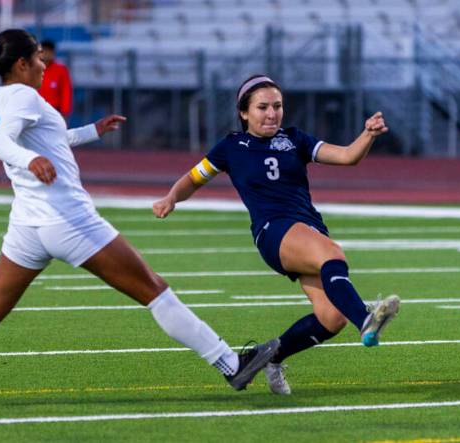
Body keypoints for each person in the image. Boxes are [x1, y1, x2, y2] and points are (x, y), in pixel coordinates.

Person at [0, 30, 277, 408]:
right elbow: (6, 144)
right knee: (155, 291)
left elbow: (47, 137)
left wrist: (92, 131)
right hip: (68, 220)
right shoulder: (23, 97)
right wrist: (33, 159)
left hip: (28, 225)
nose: (46, 66)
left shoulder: (2, 97)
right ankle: (230, 363)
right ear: (22, 65)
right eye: (39, 60)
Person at [152, 74, 401, 395]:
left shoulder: (295, 139)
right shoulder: (231, 146)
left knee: (330, 317)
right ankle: (366, 319)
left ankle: (272, 359)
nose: (272, 113)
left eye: (277, 106)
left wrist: (368, 135)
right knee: (332, 255)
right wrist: (172, 196)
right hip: (274, 230)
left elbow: (347, 156)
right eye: (262, 107)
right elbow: (193, 178)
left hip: (308, 229)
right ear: (244, 113)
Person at [37, 39, 72, 118]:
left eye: (49, 51)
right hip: (37, 112)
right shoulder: (34, 69)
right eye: (44, 51)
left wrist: (65, 113)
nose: (46, 54)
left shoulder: (61, 70)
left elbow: (66, 92)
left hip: (55, 112)